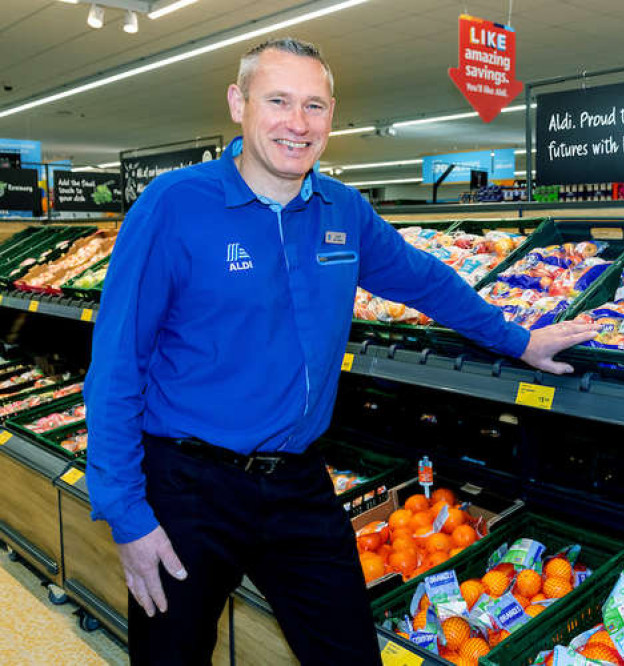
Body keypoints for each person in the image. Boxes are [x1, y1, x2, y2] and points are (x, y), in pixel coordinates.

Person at [84, 37, 597, 665]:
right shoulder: (173, 206)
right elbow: (114, 368)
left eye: (315, 106)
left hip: (297, 481)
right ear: (237, 103)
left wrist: (519, 340)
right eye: (278, 101)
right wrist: (126, 514)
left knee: (350, 653)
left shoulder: (342, 210)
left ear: (332, 116)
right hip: (188, 485)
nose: (297, 124)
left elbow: (426, 281)